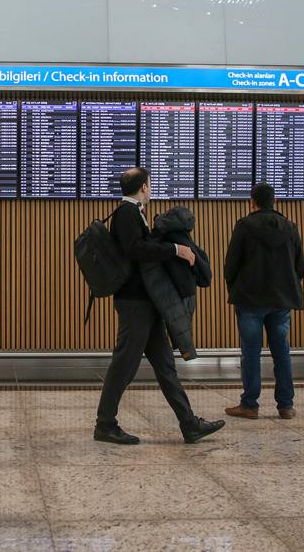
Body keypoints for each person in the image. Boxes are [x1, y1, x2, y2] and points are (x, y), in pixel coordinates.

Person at [95, 167, 225, 445]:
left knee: (165, 365)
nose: (151, 188)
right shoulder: (127, 213)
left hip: (145, 303)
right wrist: (175, 250)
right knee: (124, 363)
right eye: (150, 184)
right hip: (135, 303)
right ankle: (105, 424)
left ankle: (189, 424)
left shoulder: (134, 213)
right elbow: (136, 250)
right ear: (143, 186)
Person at [223, 183, 304, 420]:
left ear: (252, 201)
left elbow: (231, 265)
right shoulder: (291, 228)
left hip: (249, 299)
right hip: (281, 301)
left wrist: (235, 287)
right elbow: (300, 267)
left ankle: (249, 404)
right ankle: (286, 406)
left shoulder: (244, 226)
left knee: (250, 352)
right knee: (282, 351)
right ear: (275, 201)